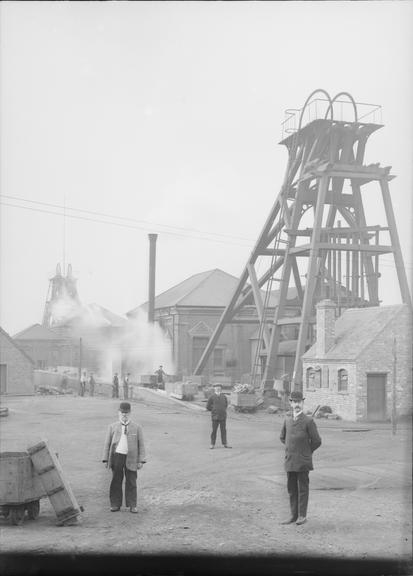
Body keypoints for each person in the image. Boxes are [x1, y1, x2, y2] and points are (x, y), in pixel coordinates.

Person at [279, 390, 321, 526]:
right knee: (291, 488)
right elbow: (282, 437)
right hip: (290, 460)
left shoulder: (308, 421)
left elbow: (317, 441)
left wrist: (306, 452)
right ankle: (293, 515)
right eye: (294, 402)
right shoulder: (287, 420)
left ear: (302, 403)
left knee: (302, 488)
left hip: (303, 461)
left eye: (299, 402)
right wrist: (292, 449)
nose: (297, 404)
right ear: (290, 403)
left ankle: (302, 516)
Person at [102, 401, 146, 513]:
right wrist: (106, 459)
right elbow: (107, 444)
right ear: (118, 413)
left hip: (131, 458)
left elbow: (141, 445)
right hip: (117, 457)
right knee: (116, 480)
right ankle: (115, 504)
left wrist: (141, 460)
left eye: (126, 413)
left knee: (131, 481)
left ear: (130, 413)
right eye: (122, 413)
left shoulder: (137, 427)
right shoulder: (112, 427)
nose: (124, 415)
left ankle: (132, 505)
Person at [206, 383, 232, 449]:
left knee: (223, 430)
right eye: (216, 387)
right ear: (214, 388)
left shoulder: (224, 397)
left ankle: (225, 443)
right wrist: (214, 410)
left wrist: (222, 410)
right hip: (215, 417)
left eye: (219, 387)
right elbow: (208, 407)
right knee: (214, 431)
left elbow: (225, 405)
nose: (218, 388)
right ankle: (212, 444)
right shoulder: (211, 397)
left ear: (221, 389)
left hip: (223, 416)